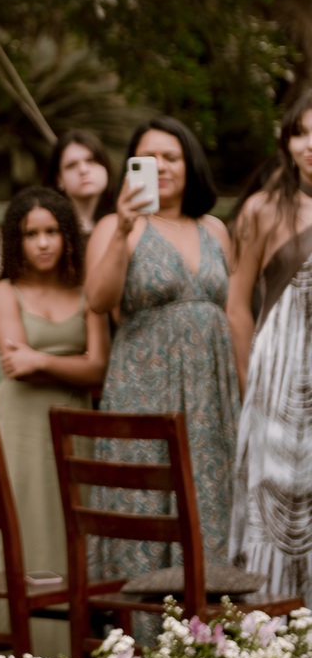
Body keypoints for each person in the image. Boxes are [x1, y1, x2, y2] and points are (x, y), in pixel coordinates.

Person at [85, 116, 239, 590]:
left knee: (211, 498)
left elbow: (231, 313)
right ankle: (141, 627)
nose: (161, 166)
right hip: (144, 391)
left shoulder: (215, 229)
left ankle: (210, 624)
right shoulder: (115, 226)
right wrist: (122, 230)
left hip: (210, 398)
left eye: (171, 156)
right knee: (145, 502)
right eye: (148, 158)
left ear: (190, 164)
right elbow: (98, 301)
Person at [0, 187, 109, 656]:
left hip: (77, 424)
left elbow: (100, 368)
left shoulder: (88, 289)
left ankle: (78, 654)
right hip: (21, 425)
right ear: (15, 240)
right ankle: (27, 656)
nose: (42, 243)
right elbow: (16, 366)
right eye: (30, 233)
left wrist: (41, 359)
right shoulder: (4, 291)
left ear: (68, 235)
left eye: (52, 231)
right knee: (27, 527)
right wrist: (67, 361)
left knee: (73, 527)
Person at [227, 89, 312, 605]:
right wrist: (248, 384)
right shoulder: (261, 210)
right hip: (276, 379)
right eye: (300, 133)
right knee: (271, 493)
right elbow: (237, 306)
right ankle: (270, 636)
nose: (310, 144)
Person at [46, 128, 115, 234]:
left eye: (91, 160)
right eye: (71, 165)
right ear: (58, 179)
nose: (83, 170)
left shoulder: (125, 220)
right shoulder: (49, 229)